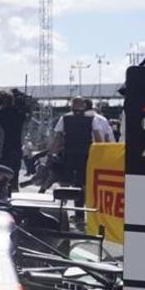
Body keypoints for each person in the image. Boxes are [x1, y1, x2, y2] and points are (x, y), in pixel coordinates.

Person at [51, 96, 114, 224]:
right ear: (84, 106)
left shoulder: (65, 118)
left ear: (71, 106)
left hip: (68, 154)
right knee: (82, 184)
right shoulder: (92, 119)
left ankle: (60, 212)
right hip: (86, 155)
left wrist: (51, 152)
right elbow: (98, 139)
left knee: (65, 182)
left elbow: (57, 138)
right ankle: (80, 214)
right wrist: (100, 154)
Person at [0, 90, 27, 174]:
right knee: (14, 177)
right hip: (17, 149)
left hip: (4, 150)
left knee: (2, 177)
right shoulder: (20, 114)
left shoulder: (1, 113)